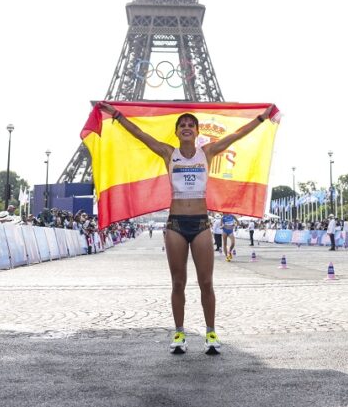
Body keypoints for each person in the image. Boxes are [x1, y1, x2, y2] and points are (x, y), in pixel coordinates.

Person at [99, 102, 271, 355]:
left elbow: (236, 135)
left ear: (197, 131)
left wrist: (261, 119)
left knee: (206, 283)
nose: (187, 128)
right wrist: (116, 115)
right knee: (178, 282)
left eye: (191, 125)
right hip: (176, 224)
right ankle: (179, 332)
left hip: (201, 223)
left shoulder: (208, 152)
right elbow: (141, 135)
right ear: (177, 132)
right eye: (183, 126)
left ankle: (210, 332)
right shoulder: (169, 153)